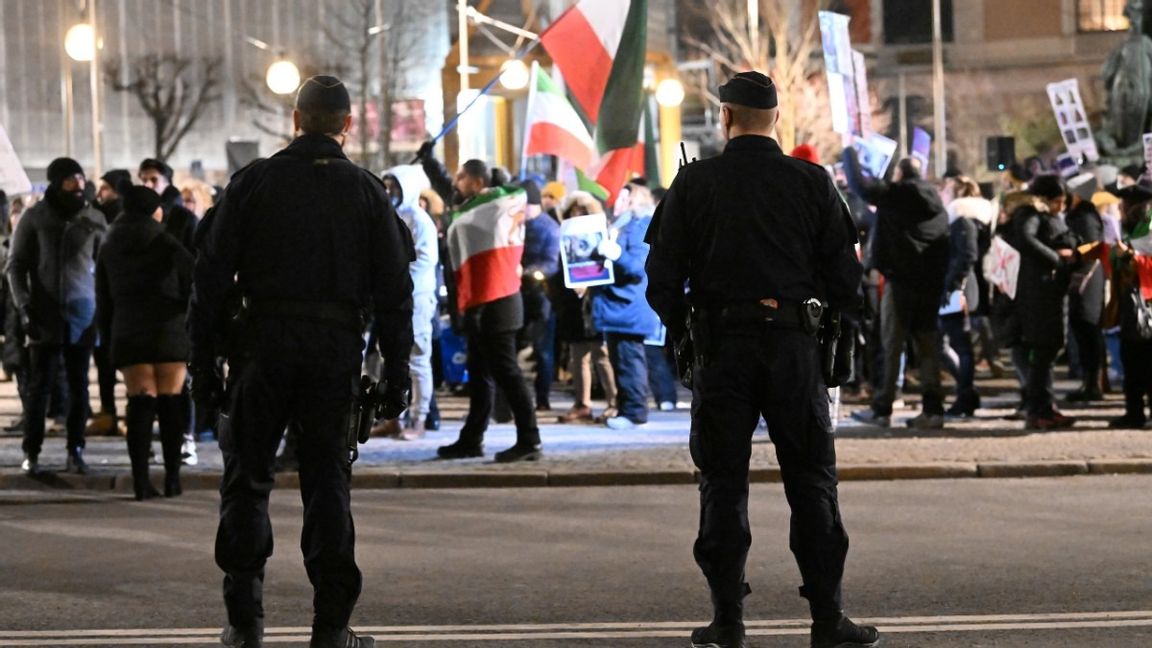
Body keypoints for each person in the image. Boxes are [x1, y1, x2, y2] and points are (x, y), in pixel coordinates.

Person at [646, 71, 878, 648]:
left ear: (725, 117)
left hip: (722, 349)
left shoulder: (695, 184)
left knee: (722, 485)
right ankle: (828, 620)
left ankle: (728, 622)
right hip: (795, 348)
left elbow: (661, 279)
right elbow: (849, 280)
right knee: (813, 483)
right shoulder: (811, 181)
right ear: (777, 119)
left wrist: (684, 331)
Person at [190, 75, 413, 648]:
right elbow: (394, 290)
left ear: (295, 119)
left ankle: (245, 621)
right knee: (327, 485)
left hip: (260, 348)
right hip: (334, 351)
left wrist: (203, 364)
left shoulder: (253, 183)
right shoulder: (366, 192)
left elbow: (209, 279)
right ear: (346, 125)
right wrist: (395, 371)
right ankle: (332, 628)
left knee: (246, 481)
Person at [434, 159, 542, 462]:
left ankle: (530, 439)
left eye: (461, 177)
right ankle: (472, 438)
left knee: (508, 373)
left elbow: (524, 189)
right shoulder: (477, 210)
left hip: (499, 302)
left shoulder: (495, 206)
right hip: (482, 304)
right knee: (480, 375)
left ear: (478, 182)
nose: (456, 182)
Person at [7, 158, 107, 475]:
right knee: (40, 387)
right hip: (43, 315)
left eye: (80, 177)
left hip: (83, 316)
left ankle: (75, 449)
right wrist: (24, 306)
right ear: (56, 182)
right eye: (70, 178)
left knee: (80, 388)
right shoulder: (35, 218)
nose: (78, 183)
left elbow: (103, 269)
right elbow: (16, 266)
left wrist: (101, 310)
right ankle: (31, 451)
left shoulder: (93, 218)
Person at [95, 185, 193, 499]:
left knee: (139, 402)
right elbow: (193, 279)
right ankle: (173, 478)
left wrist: (108, 336)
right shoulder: (165, 241)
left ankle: (140, 481)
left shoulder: (109, 243)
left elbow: (103, 297)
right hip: (168, 329)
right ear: (154, 210)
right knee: (171, 402)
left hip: (129, 329)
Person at [846, 152, 950, 430]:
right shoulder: (937, 204)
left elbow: (859, 186)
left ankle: (882, 409)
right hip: (929, 287)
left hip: (900, 283)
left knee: (891, 345)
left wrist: (850, 152)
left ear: (900, 175)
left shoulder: (898, 194)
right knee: (927, 347)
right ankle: (933, 410)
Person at [592, 181, 660, 429]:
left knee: (629, 362)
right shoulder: (621, 226)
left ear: (634, 200)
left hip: (628, 306)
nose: (616, 203)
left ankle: (635, 413)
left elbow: (638, 267)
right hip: (618, 306)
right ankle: (625, 409)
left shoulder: (639, 226)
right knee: (621, 361)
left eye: (623, 199)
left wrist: (615, 254)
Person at [379, 164, 439, 440]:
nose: (389, 191)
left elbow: (425, 260)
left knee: (417, 358)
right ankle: (394, 416)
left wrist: (398, 277)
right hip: (392, 297)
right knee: (390, 357)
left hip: (416, 296)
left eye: (395, 186)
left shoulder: (419, 219)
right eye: (387, 186)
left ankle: (419, 419)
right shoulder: (390, 216)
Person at [1016, 175, 1079, 430]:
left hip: (1054, 289)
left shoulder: (1052, 217)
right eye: (1057, 202)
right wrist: (1057, 259)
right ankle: (1037, 408)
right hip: (1040, 292)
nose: (1061, 208)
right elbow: (1027, 240)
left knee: (1050, 350)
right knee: (1043, 351)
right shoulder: (1030, 214)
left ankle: (1046, 405)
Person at [552, 191, 618, 424]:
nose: (577, 215)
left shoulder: (603, 234)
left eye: (582, 211)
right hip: (573, 304)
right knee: (577, 356)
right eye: (573, 211)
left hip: (596, 302)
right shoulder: (564, 235)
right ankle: (583, 403)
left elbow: (607, 266)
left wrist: (589, 286)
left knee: (602, 354)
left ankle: (614, 402)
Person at [940, 177, 994, 418]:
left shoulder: (962, 220)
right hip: (961, 287)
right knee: (954, 344)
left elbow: (967, 255)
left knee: (960, 345)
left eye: (947, 189)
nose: (942, 192)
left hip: (959, 289)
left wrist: (954, 285)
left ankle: (966, 395)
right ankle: (966, 392)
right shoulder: (968, 219)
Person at [87, 169, 133, 437]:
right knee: (105, 360)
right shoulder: (97, 215)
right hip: (104, 299)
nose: (100, 193)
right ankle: (109, 413)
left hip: (119, 300)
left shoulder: (120, 218)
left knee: (124, 363)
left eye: (105, 188)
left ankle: (120, 414)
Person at [1102, 180, 1152, 427]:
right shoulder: (1130, 229)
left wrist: (1131, 257)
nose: (1120, 210)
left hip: (1148, 302)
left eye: (1125, 205)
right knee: (1131, 360)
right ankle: (1134, 413)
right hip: (1130, 303)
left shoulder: (1149, 228)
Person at [1064, 172, 1107, 402]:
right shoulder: (1079, 215)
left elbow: (1093, 248)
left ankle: (1094, 382)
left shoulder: (1086, 218)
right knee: (1083, 331)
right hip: (1082, 277)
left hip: (1086, 279)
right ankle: (1089, 381)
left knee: (1089, 330)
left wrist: (1074, 258)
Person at [518, 180, 561, 411]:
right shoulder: (517, 225)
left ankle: (542, 398)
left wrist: (526, 272)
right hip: (519, 295)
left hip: (542, 298)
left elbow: (551, 264)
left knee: (543, 350)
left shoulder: (549, 228)